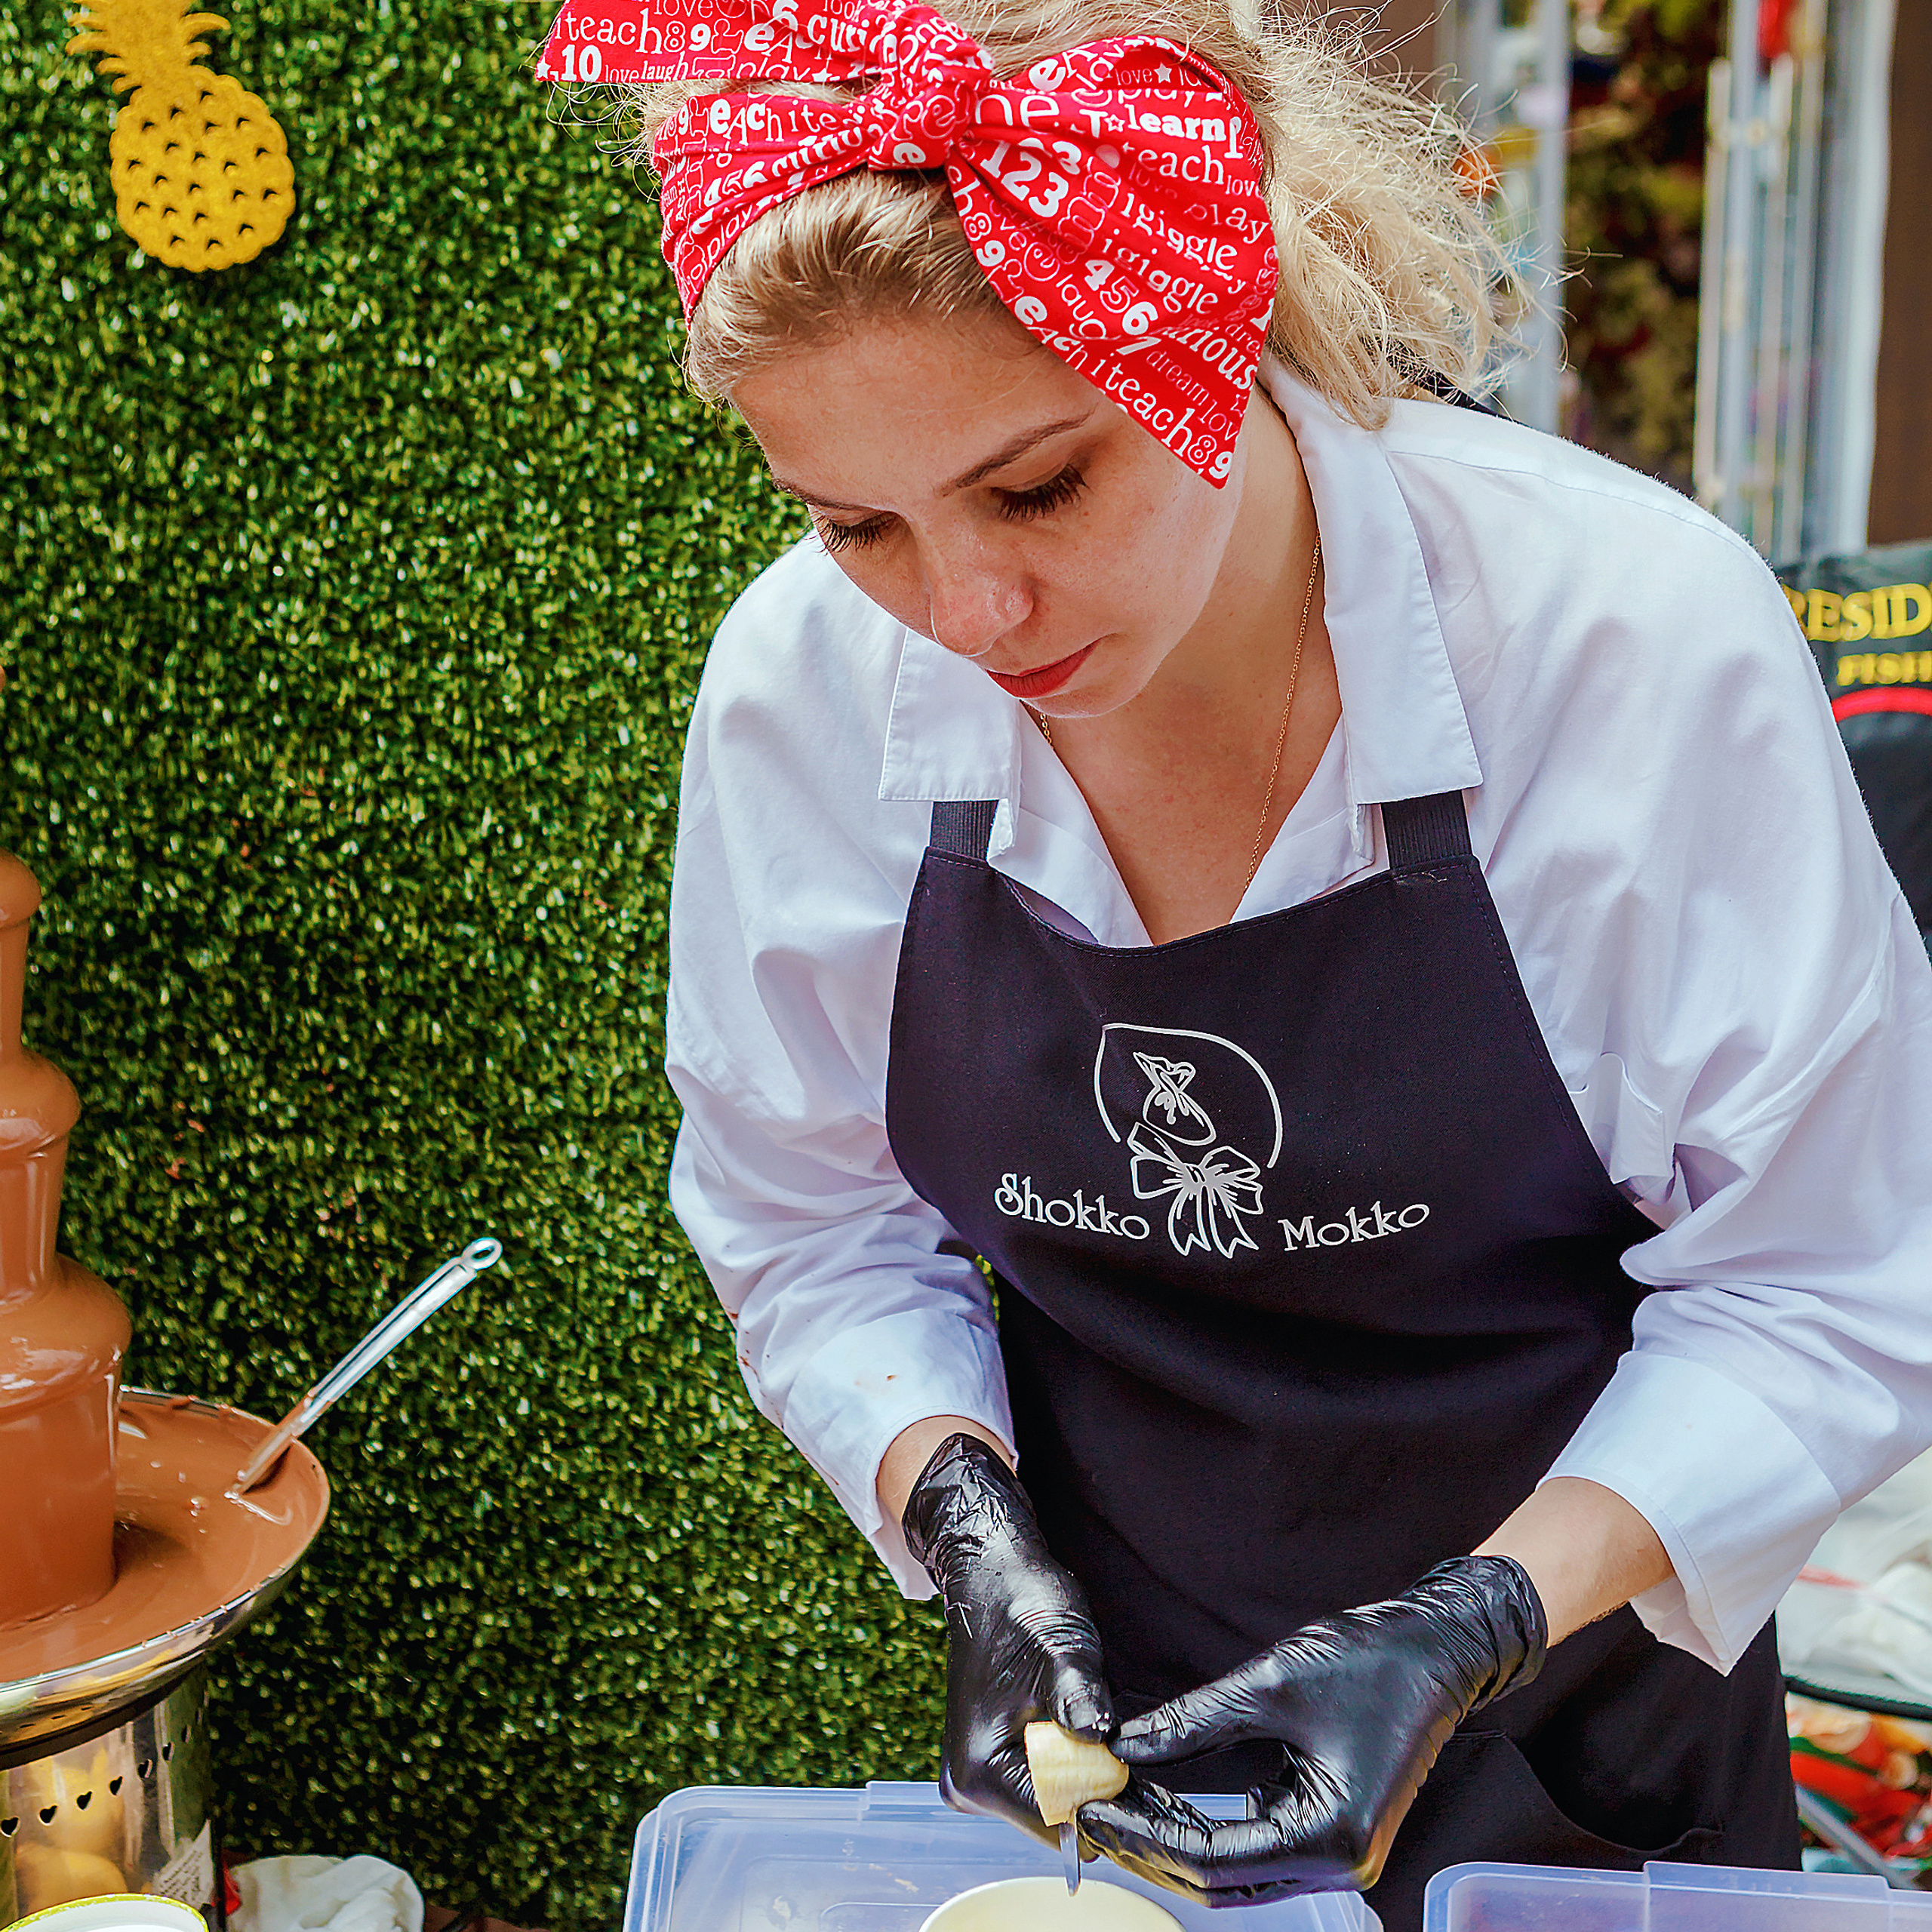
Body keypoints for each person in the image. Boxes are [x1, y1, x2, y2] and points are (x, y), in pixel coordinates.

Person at [543, 0, 1932, 1918]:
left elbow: (1822, 1279)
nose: (965, 609)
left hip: (1591, 1729)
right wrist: (958, 1513)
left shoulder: (1623, 644)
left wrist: (1470, 1620)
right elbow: (807, 1221)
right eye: (854, 520)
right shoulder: (804, 689)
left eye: (1041, 485)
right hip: (1118, 1751)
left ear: (1220, 329)